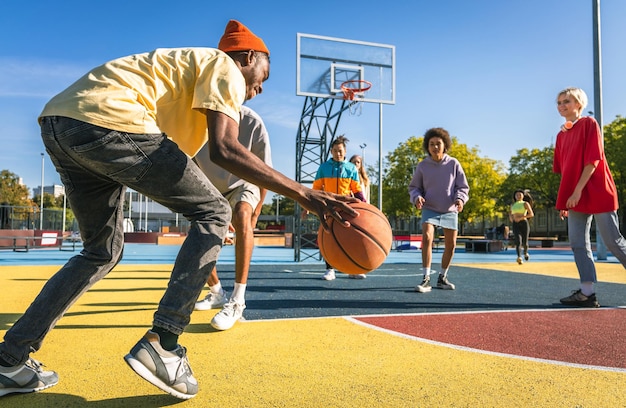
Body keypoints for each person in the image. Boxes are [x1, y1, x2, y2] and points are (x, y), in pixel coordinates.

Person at [0, 20, 358, 400]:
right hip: (111, 121)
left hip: (61, 122)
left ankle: (9, 359)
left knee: (100, 251)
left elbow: (188, 168)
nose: (261, 87)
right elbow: (226, 150)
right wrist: (304, 193)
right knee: (216, 212)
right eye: (263, 75)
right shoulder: (225, 67)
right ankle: (164, 344)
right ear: (248, 57)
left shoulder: (184, 78)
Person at [193, 105, 271, 331]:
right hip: (210, 188)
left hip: (244, 184)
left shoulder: (252, 121)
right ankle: (216, 292)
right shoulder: (195, 121)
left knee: (242, 214)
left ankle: (238, 300)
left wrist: (255, 213)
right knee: (199, 236)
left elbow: (265, 171)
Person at [553, 87, 626, 308]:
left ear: (579, 104)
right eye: (558, 102)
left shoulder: (589, 124)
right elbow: (565, 171)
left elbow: (592, 161)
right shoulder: (560, 135)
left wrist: (576, 192)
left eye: (567, 101)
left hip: (597, 190)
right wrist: (566, 198)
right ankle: (587, 293)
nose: (562, 105)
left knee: (613, 241)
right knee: (577, 243)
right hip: (575, 196)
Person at [409, 127, 469, 293]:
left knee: (451, 244)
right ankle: (426, 278)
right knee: (427, 237)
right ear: (427, 147)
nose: (435, 147)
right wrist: (417, 197)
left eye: (438, 144)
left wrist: (460, 199)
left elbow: (462, 186)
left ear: (445, 146)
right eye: (431, 144)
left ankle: (442, 277)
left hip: (450, 209)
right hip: (429, 208)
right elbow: (414, 187)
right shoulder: (422, 166)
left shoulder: (453, 164)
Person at [312, 136, 366, 280]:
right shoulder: (323, 168)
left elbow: (356, 190)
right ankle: (330, 269)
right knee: (329, 239)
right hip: (328, 207)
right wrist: (311, 206)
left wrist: (364, 206)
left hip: (346, 207)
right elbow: (316, 188)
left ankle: (352, 269)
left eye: (340, 151)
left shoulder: (351, 168)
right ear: (331, 151)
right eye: (335, 151)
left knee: (350, 238)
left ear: (345, 151)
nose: (338, 153)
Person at [509, 189, 534, 264]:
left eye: (520, 195)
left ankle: (525, 253)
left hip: (524, 223)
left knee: (525, 241)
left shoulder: (525, 203)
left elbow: (531, 214)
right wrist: (512, 218)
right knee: (517, 241)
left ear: (523, 196)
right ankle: (519, 257)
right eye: (517, 195)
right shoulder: (512, 205)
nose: (518, 196)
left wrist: (521, 218)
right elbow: (511, 214)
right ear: (515, 196)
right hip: (515, 224)